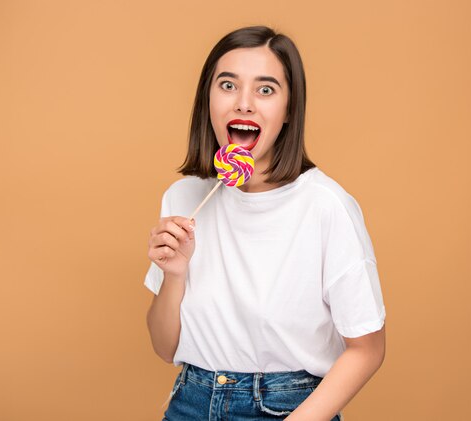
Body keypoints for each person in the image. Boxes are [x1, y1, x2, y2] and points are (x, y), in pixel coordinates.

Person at [145, 25, 386, 421]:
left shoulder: (325, 206)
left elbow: (368, 349)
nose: (244, 104)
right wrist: (174, 275)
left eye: (266, 89)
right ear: (208, 98)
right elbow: (164, 348)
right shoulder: (183, 199)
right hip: (189, 401)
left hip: (286, 408)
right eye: (227, 85)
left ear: (290, 109)